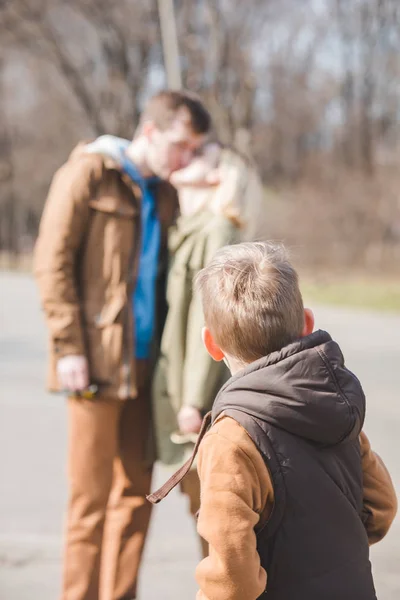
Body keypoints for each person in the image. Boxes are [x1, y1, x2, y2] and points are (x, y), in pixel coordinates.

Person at [34, 90, 211, 600]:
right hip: (93, 363)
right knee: (89, 499)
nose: (185, 159)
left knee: (136, 496)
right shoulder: (90, 173)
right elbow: (52, 263)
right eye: (180, 145)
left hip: (148, 367)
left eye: (194, 150)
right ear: (150, 131)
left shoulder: (168, 192)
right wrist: (68, 346)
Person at [148, 241, 397, 600]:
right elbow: (381, 508)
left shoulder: (231, 438)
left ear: (212, 344)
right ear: (307, 323)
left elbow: (232, 580)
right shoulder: (335, 406)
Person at [151, 142, 264, 555]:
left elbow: (208, 320)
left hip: (201, 401)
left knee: (215, 517)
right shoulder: (196, 228)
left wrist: (193, 401)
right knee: (206, 511)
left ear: (219, 178)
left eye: (198, 159)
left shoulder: (217, 230)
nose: (183, 165)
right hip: (190, 393)